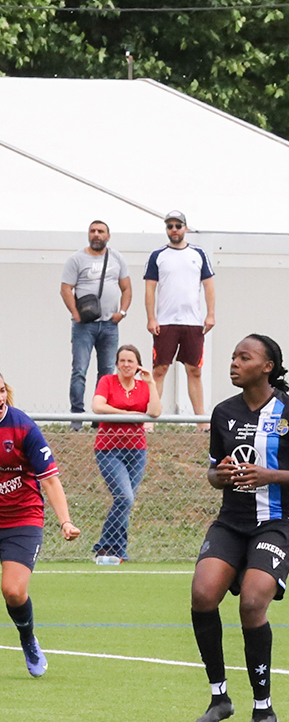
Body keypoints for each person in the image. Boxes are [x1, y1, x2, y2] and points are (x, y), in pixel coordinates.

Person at [191, 335, 289, 722]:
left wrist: (271, 475)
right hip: (231, 521)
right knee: (203, 594)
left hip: (277, 521)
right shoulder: (223, 413)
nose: (234, 363)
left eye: (244, 357)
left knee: (252, 603)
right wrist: (219, 475)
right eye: (233, 356)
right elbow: (213, 473)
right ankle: (219, 697)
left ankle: (263, 709)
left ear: (267, 366)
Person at [0, 369, 81, 677]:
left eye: (1, 391)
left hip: (22, 518)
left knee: (14, 592)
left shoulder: (22, 427)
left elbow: (50, 481)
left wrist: (65, 522)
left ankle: (27, 639)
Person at [90, 345, 161, 564]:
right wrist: (128, 414)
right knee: (124, 497)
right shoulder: (107, 382)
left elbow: (155, 412)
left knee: (126, 502)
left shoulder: (143, 385)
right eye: (122, 361)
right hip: (109, 449)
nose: (126, 365)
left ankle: (117, 549)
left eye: (131, 361)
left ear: (137, 364)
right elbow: (98, 406)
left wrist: (151, 382)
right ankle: (103, 546)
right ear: (117, 363)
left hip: (136, 450)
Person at [143, 210, 215, 422]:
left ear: (185, 228)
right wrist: (151, 318)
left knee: (194, 370)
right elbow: (149, 289)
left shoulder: (198, 254)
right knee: (159, 369)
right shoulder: (158, 256)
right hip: (165, 322)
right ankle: (151, 418)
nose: (174, 230)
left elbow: (209, 286)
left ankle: (200, 420)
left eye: (178, 226)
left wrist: (210, 314)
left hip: (192, 322)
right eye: (170, 226)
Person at [60, 220, 132, 429]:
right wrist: (76, 314)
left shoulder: (117, 258)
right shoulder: (76, 259)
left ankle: (100, 417)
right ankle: (76, 417)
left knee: (107, 372)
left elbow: (127, 288)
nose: (96, 235)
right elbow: (65, 289)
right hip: (85, 326)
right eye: (93, 231)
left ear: (108, 236)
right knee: (79, 370)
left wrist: (122, 313)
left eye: (101, 231)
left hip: (110, 325)